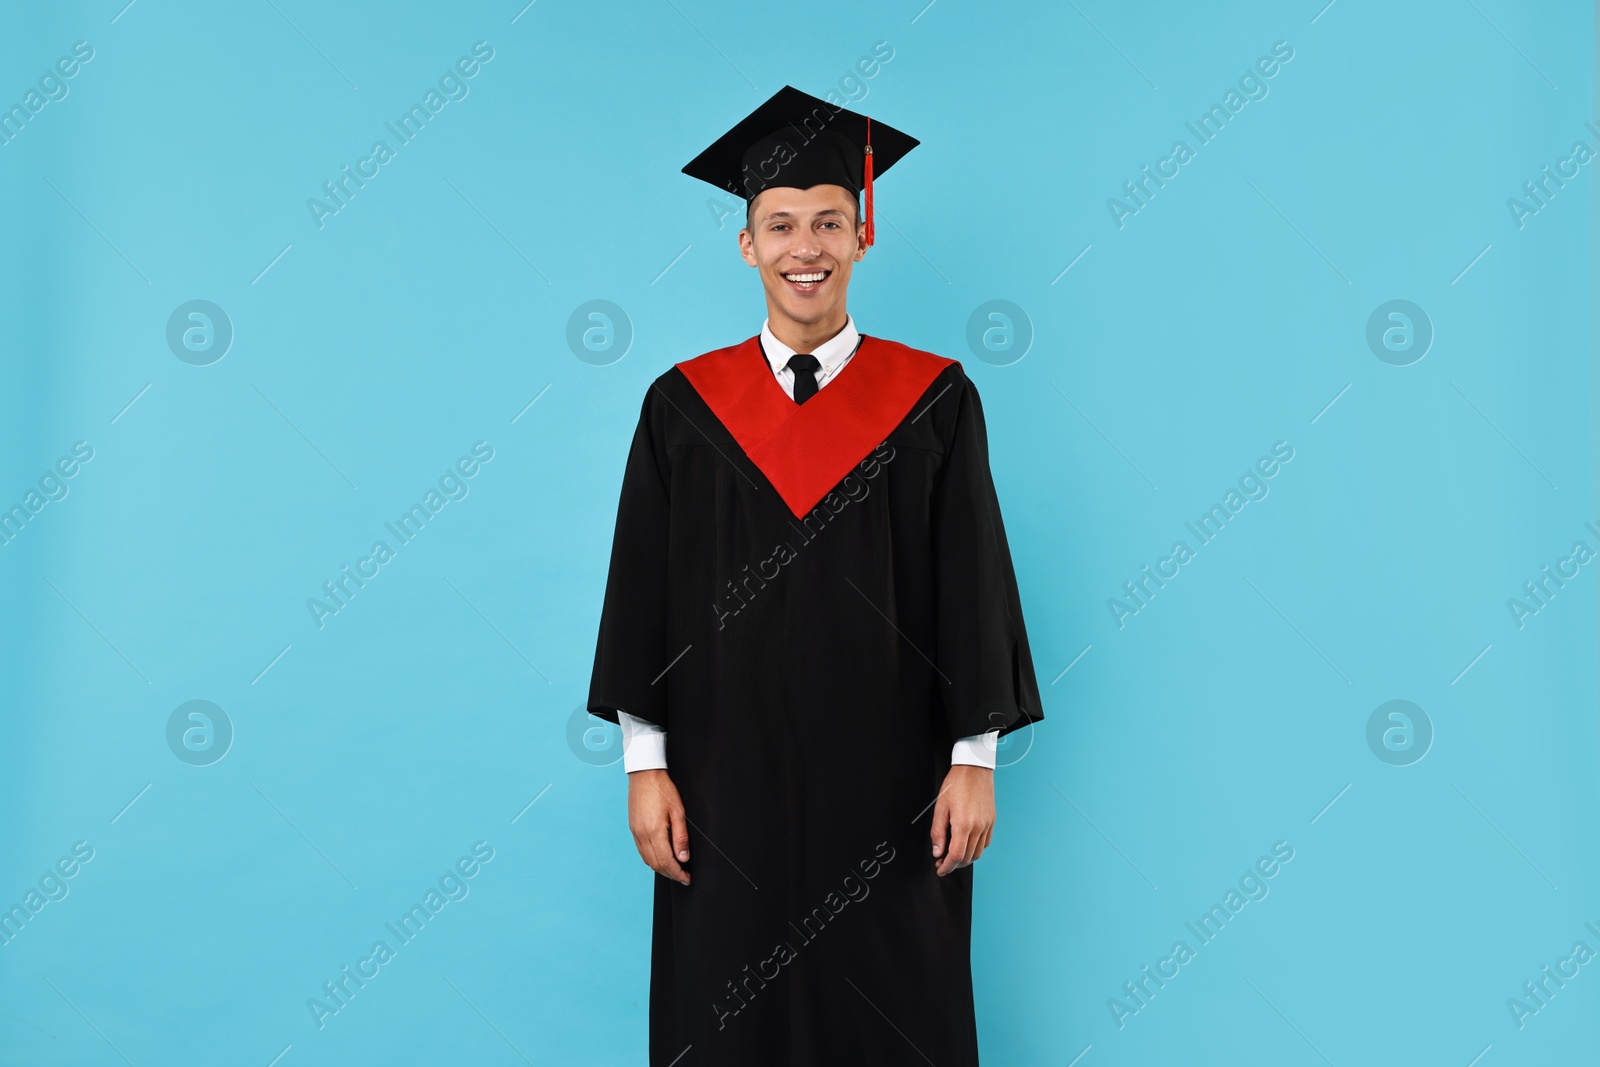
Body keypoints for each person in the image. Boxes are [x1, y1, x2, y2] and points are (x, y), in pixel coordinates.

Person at [587, 84, 1043, 1066]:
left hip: (895, 778)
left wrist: (974, 758)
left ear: (862, 237)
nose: (807, 245)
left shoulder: (933, 401)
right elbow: (641, 590)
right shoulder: (682, 407)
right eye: (781, 223)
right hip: (721, 781)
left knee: (893, 1005)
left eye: (829, 221)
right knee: (726, 1009)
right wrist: (643, 765)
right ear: (746, 243)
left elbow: (973, 577)